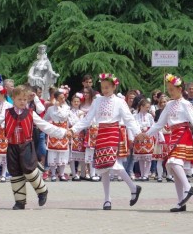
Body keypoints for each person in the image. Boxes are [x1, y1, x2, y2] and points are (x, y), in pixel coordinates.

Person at [0, 85, 72, 209]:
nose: (22, 102)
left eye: (25, 99)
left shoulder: (30, 113)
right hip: (12, 146)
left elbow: (45, 126)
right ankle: (20, 201)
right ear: (13, 99)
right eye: (19, 99)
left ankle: (42, 190)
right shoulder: (7, 112)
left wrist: (62, 132)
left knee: (29, 169)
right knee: (15, 172)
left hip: (26, 145)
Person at [71, 73, 142, 210]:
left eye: (107, 87)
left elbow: (129, 119)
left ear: (114, 87)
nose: (105, 90)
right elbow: (87, 119)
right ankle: (107, 199)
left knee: (112, 163)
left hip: (113, 132)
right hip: (101, 133)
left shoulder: (119, 101)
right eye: (103, 87)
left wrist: (137, 133)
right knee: (103, 167)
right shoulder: (97, 101)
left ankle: (133, 188)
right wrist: (74, 130)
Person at [139, 74, 193, 212]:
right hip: (173, 136)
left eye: (172, 89)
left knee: (172, 162)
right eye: (169, 89)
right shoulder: (169, 104)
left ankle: (188, 188)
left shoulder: (186, 104)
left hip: (183, 135)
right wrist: (146, 135)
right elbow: (159, 124)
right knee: (175, 171)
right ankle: (180, 202)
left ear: (180, 89)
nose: (170, 92)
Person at [44, 90, 71, 181]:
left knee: (63, 152)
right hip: (54, 131)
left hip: (63, 131)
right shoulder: (50, 109)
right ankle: (53, 174)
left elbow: (64, 116)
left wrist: (58, 107)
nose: (63, 99)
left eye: (63, 98)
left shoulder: (67, 108)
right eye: (60, 98)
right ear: (56, 99)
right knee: (53, 152)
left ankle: (62, 174)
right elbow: (45, 119)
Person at [133, 99, 155, 181]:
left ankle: (146, 174)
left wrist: (149, 133)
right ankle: (142, 174)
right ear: (141, 107)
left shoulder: (149, 116)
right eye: (146, 107)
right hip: (139, 137)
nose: (148, 109)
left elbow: (153, 126)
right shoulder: (135, 116)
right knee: (141, 158)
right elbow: (133, 126)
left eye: (149, 107)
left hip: (148, 137)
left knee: (148, 157)